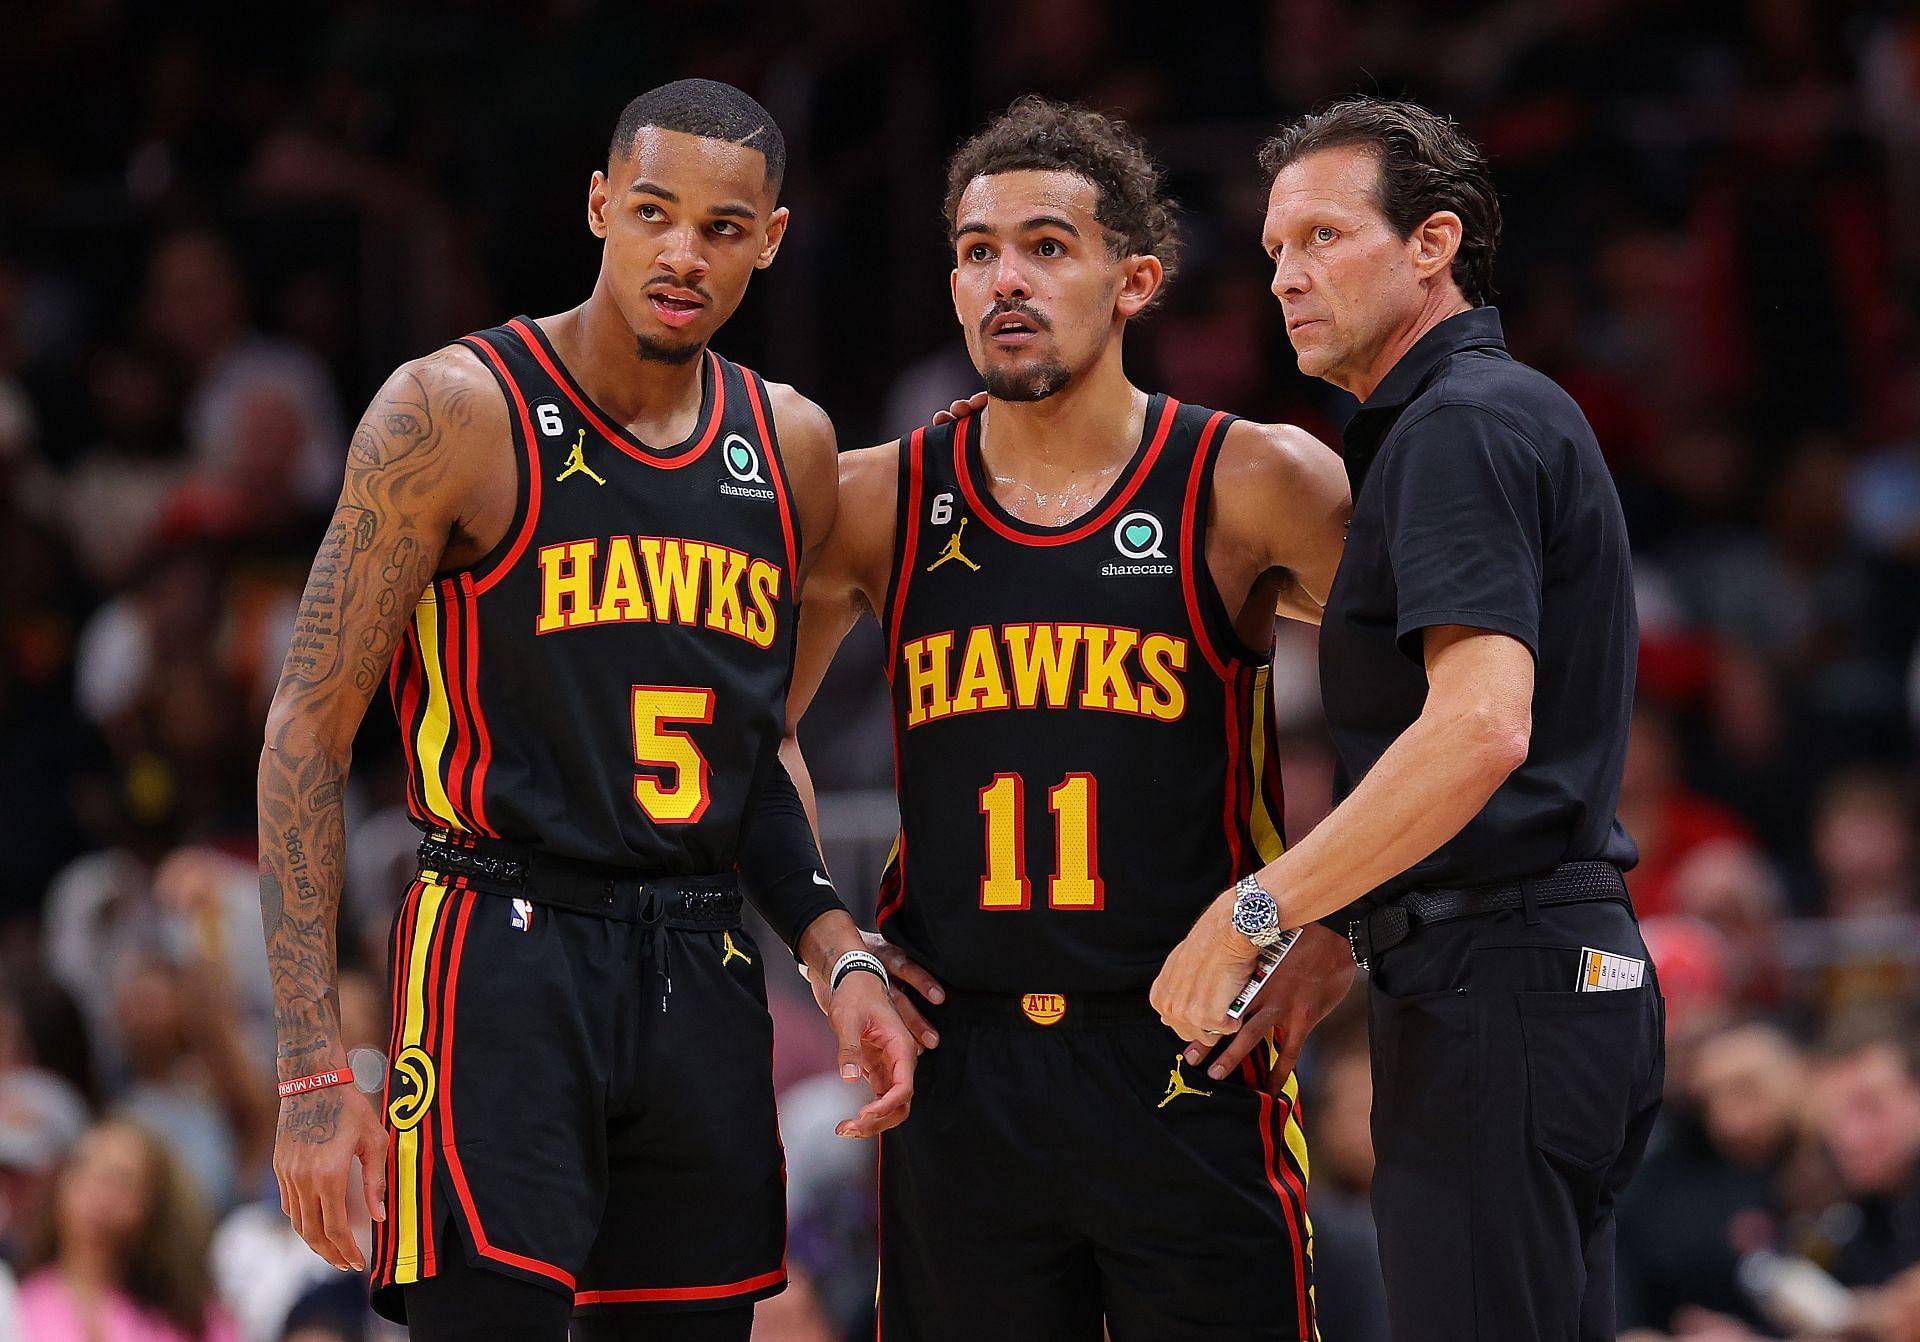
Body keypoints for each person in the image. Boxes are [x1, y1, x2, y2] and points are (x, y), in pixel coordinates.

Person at [257, 79, 917, 1342]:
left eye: (725, 228)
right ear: (602, 205)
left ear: (772, 240)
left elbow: (759, 746)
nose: (684, 253)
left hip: (699, 956)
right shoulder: (452, 410)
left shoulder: (790, 445)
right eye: (656, 212)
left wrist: (835, 949)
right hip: (499, 943)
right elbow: (306, 727)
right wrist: (308, 1066)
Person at [786, 96, 1352, 1340]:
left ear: (1134, 278)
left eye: (1047, 247)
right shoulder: (880, 498)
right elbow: (746, 731)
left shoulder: (1253, 480)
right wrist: (831, 944)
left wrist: (1344, 922)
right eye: (980, 251)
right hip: (962, 1070)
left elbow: (1431, 710)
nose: (1006, 280)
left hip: (1187, 1048)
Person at [1153, 95, 1664, 1342]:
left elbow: (1480, 732)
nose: (1287, 275)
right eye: (1276, 249)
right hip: (1552, 973)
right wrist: (1349, 939)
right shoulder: (1484, 415)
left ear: (1433, 245)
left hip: (1503, 993)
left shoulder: (1459, 426)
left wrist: (1262, 907)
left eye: (1324, 236)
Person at [16, 1118, 242, 1342]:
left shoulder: (190, 1315)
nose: (95, 1189)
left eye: (120, 1179)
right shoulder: (18, 1304)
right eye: (83, 1166)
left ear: (153, 1204)